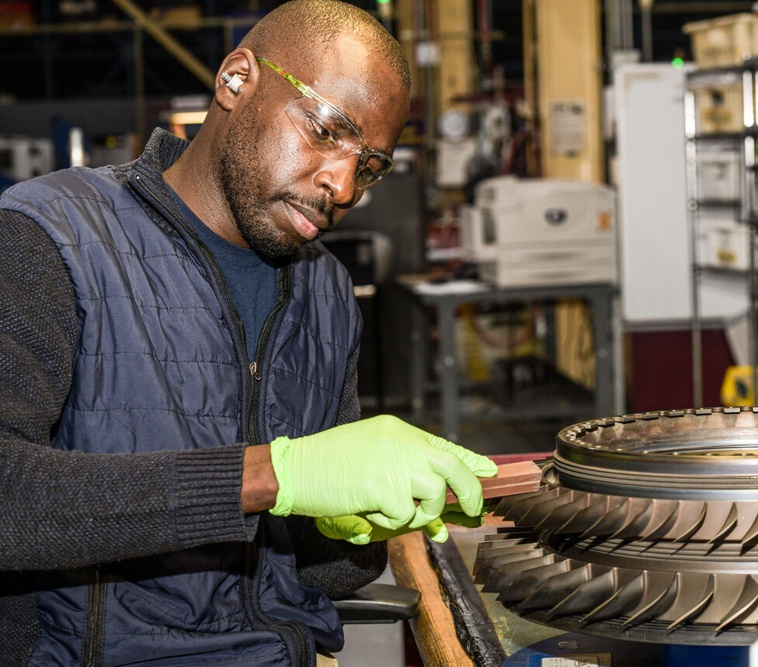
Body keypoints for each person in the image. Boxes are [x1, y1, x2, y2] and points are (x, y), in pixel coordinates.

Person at [0, 1, 498, 664]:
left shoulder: (324, 291)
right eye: (327, 130)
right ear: (236, 81)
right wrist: (273, 475)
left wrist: (352, 526)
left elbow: (327, 578)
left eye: (370, 165)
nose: (343, 184)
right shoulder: (51, 234)